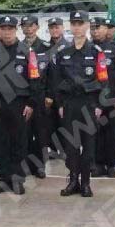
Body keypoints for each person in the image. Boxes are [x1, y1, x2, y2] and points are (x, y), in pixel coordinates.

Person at [47, 10, 108, 198]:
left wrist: (99, 105)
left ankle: (86, 183)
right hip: (70, 104)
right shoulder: (63, 53)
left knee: (88, 146)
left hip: (89, 104)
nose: (77, 27)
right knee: (71, 146)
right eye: (74, 24)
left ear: (88, 25)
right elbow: (56, 82)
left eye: (80, 23)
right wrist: (60, 104)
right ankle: (73, 181)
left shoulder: (96, 52)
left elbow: (103, 81)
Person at [0, 15, 38, 195]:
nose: (6, 32)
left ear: (15, 30)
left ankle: (18, 180)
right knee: (1, 143)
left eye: (10, 29)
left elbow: (35, 79)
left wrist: (31, 103)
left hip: (20, 103)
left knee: (19, 143)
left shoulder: (27, 51)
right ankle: (4, 180)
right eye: (3, 28)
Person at [91, 17, 115, 178]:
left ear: (106, 29)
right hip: (94, 100)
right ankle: (97, 164)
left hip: (113, 99)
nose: (95, 31)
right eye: (93, 28)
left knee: (112, 132)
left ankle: (111, 165)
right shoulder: (87, 48)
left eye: (98, 27)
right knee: (95, 132)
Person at [20, 15, 50, 178]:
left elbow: (53, 74)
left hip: (41, 97)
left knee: (40, 134)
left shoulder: (46, 47)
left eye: (31, 25)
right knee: (24, 133)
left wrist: (50, 95)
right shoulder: (18, 47)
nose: (28, 28)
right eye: (25, 25)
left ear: (37, 27)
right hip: (24, 97)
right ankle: (25, 165)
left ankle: (39, 166)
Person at [45, 17, 68, 160]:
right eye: (52, 27)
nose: (54, 30)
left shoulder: (70, 46)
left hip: (64, 92)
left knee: (65, 122)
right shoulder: (44, 47)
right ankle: (53, 149)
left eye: (57, 27)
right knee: (50, 123)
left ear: (62, 28)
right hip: (48, 92)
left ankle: (66, 149)